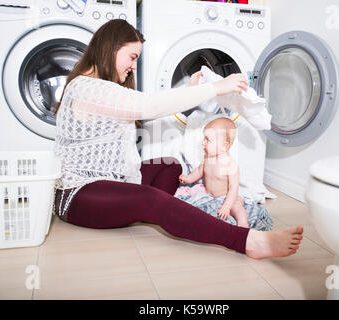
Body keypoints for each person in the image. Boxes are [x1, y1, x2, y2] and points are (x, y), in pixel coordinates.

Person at [53, 19, 303, 260]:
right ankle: (248, 241)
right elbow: (147, 106)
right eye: (132, 57)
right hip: (79, 196)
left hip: (113, 179)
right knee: (152, 200)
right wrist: (216, 88)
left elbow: (144, 106)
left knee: (170, 164)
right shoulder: (86, 88)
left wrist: (187, 91)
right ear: (111, 48)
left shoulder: (101, 87)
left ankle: (155, 210)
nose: (133, 66)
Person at [178, 117, 250, 228]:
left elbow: (233, 190)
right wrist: (188, 178)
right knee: (189, 196)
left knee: (236, 207)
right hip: (208, 193)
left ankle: (243, 223)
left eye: (208, 140)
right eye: (204, 138)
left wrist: (226, 206)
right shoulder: (207, 157)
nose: (203, 143)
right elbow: (199, 171)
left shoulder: (231, 165)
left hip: (227, 196)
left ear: (224, 146)